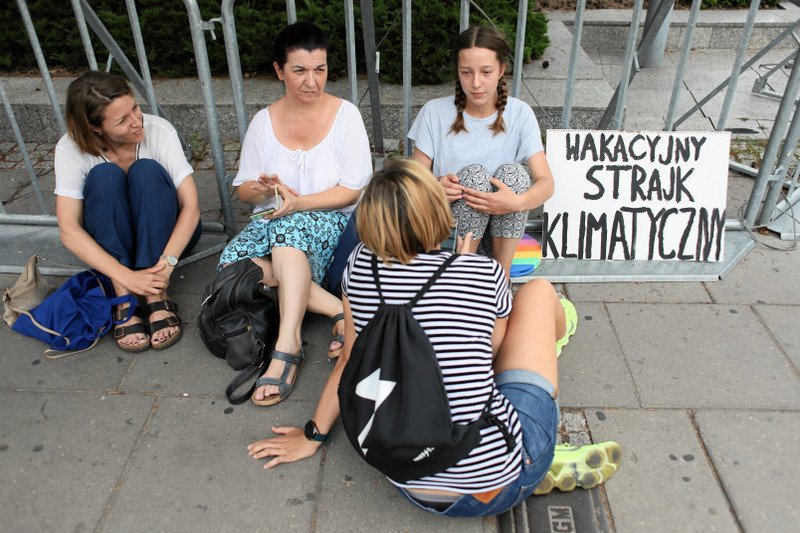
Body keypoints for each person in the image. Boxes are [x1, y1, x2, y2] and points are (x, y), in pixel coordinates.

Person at [246, 159, 620, 517]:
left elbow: (349, 359)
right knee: (539, 293)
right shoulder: (481, 271)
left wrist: (312, 436)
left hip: (409, 480)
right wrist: (464, 269)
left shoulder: (358, 266)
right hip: (497, 480)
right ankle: (539, 458)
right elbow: (491, 348)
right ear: (438, 215)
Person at [218, 21, 372, 406]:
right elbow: (243, 190)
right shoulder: (263, 122)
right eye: (300, 70)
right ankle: (339, 310)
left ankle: (287, 348)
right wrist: (264, 188)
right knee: (232, 264)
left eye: (319, 69)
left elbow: (352, 190)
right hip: (275, 222)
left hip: (335, 222)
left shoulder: (345, 115)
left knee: (288, 229)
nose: (311, 81)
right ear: (279, 70)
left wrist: (297, 203)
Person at [55, 71, 201, 353]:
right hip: (113, 240)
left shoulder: (158, 130)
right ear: (95, 127)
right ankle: (123, 295)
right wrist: (125, 276)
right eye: (122, 120)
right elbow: (69, 230)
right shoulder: (69, 148)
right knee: (103, 176)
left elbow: (192, 207)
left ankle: (157, 293)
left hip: (167, 234)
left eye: (135, 107)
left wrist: (165, 266)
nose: (137, 121)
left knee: (145, 170)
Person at [408, 26, 555, 277]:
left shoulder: (520, 114)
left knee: (515, 175)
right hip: (446, 238)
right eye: (467, 72)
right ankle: (460, 278)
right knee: (474, 176)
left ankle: (501, 280)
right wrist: (435, 187)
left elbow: (546, 183)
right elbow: (411, 184)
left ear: (501, 70)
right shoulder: (434, 112)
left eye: (486, 72)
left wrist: (516, 202)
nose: (476, 83)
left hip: (501, 240)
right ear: (458, 71)